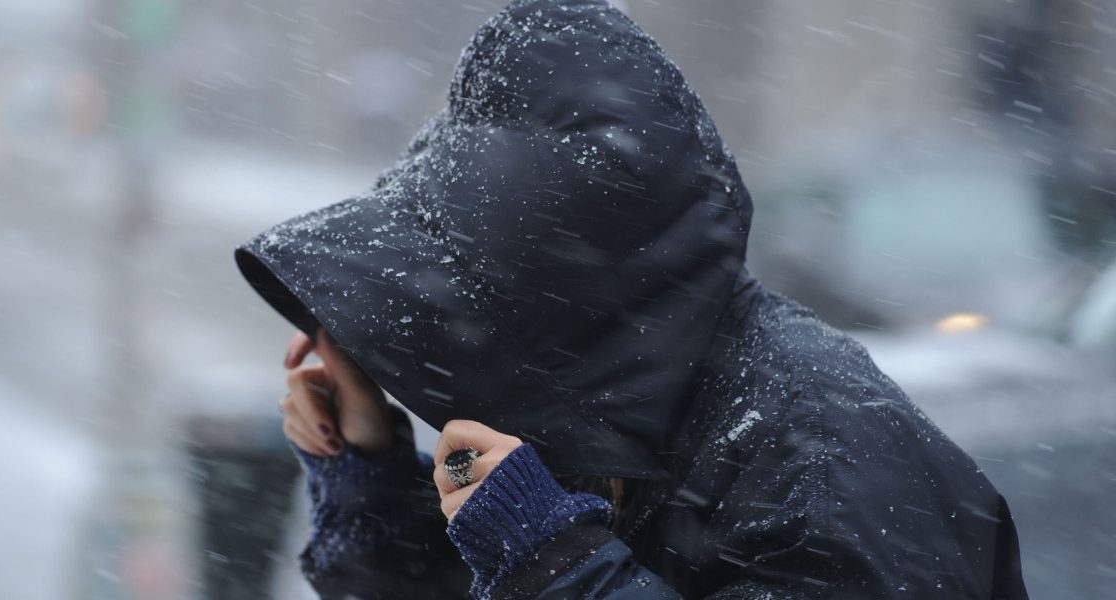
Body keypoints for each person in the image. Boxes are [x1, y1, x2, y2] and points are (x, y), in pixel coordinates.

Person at [235, 0, 1030, 598]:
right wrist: (373, 481)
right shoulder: (619, 416)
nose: (445, 349)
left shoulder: (823, 464)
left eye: (458, 313)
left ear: (557, 300)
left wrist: (555, 566)